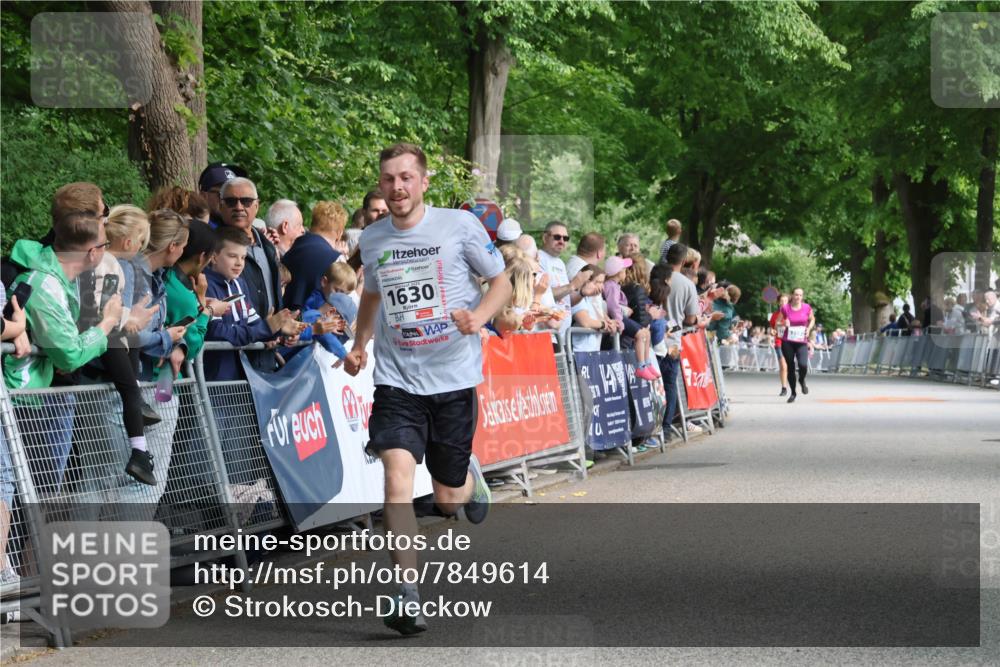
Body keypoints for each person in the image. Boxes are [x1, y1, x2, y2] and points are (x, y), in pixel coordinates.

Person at [344, 143, 510, 635]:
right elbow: (372, 292)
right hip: (398, 379)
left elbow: (500, 281)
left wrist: (478, 317)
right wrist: (360, 344)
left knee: (447, 500)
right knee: (396, 475)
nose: (396, 187)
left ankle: (466, 476)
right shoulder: (372, 239)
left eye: (405, 178)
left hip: (454, 378)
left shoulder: (458, 227)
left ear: (424, 181)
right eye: (388, 179)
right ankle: (407, 594)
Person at [203, 227, 304, 380]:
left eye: (243, 258)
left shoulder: (240, 284)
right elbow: (216, 332)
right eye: (232, 256)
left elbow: (255, 324)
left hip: (241, 376)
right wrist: (268, 328)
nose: (239, 263)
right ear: (214, 257)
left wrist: (279, 330)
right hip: (213, 377)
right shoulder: (206, 285)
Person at [281, 201, 346, 311]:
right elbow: (348, 304)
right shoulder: (336, 260)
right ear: (339, 233)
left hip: (284, 318)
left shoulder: (291, 249)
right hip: (316, 324)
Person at [604, 256, 658, 380]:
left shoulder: (615, 285)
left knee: (646, 333)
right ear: (618, 272)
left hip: (621, 316)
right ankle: (641, 367)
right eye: (624, 270)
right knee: (640, 334)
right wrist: (619, 321)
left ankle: (647, 363)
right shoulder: (611, 286)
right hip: (619, 318)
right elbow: (612, 306)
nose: (626, 272)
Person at [538, 221, 591, 341]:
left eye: (565, 238)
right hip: (547, 334)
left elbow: (565, 300)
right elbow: (542, 296)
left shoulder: (560, 263)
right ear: (545, 237)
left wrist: (582, 292)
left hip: (562, 336)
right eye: (557, 237)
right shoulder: (538, 258)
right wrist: (572, 285)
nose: (562, 241)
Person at [776, 287, 816, 403]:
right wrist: (783, 323)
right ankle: (793, 392)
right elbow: (777, 323)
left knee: (803, 365)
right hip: (787, 341)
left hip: (801, 341)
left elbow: (812, 319)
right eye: (796, 295)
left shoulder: (806, 307)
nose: (798, 297)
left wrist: (808, 328)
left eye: (800, 295)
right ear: (792, 296)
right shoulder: (785, 308)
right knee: (791, 367)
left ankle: (802, 380)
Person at [571, 266, 616, 352]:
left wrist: (610, 323)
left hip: (594, 349)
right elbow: (585, 322)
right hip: (580, 349)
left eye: (602, 282)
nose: (601, 287)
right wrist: (603, 325)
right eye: (597, 282)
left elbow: (601, 316)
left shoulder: (596, 296)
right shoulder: (577, 296)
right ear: (586, 282)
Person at [769, 295, 790, 396]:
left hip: (790, 342)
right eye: (781, 301)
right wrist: (772, 331)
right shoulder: (774, 315)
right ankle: (784, 388)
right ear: (778, 303)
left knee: (789, 365)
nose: (783, 303)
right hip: (779, 342)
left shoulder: (792, 314)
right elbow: (771, 329)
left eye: (785, 301)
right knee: (783, 365)